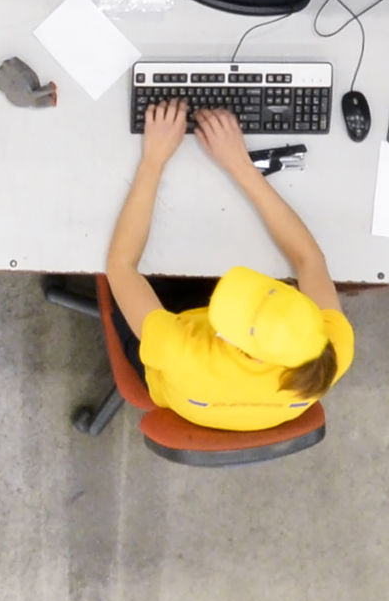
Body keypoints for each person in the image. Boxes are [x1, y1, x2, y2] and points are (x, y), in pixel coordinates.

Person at [100, 101, 352, 431]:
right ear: (306, 308)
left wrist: (153, 160)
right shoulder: (333, 351)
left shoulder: (180, 349)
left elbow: (120, 265)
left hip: (178, 378)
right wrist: (240, 165)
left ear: (228, 340)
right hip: (246, 402)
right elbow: (309, 260)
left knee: (155, 282)